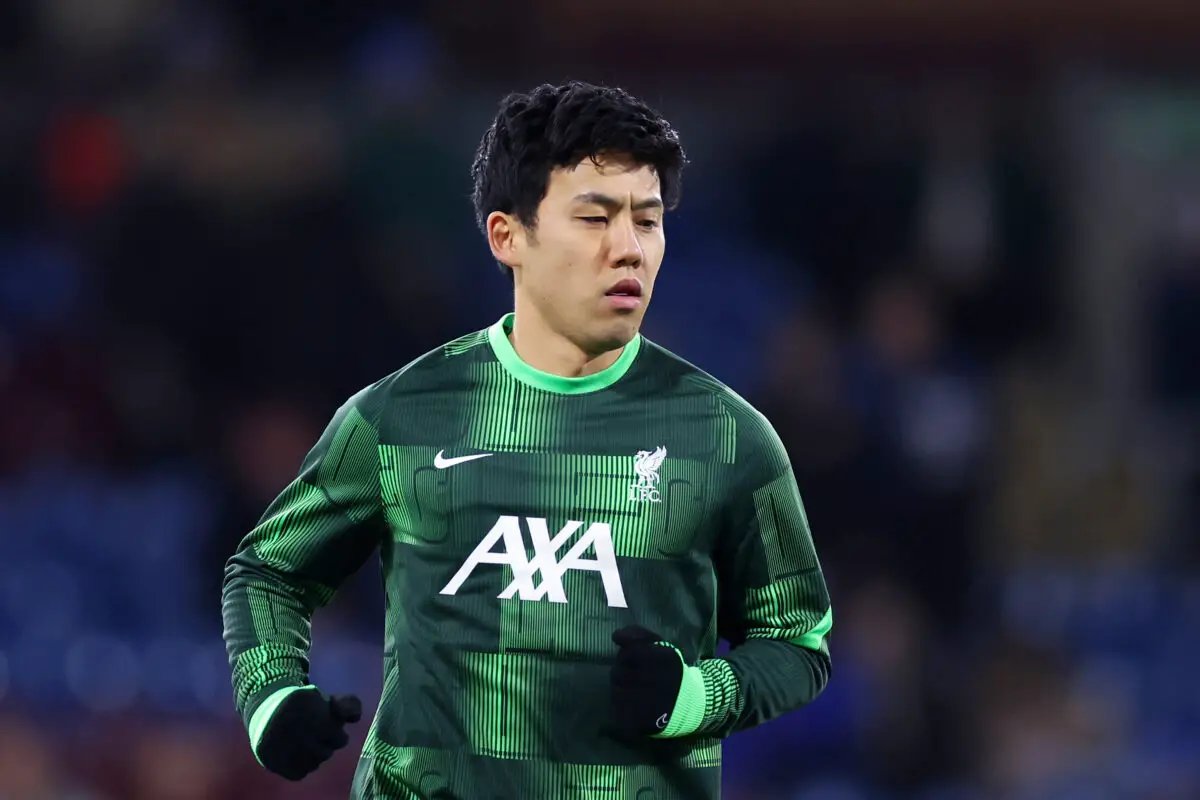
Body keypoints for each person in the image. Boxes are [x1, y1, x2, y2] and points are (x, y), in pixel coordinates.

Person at [222, 80, 833, 799]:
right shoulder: (401, 416)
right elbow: (270, 570)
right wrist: (271, 700)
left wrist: (697, 695)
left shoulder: (728, 437)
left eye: (648, 219)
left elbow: (799, 642)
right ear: (508, 237)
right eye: (595, 218)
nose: (629, 249)